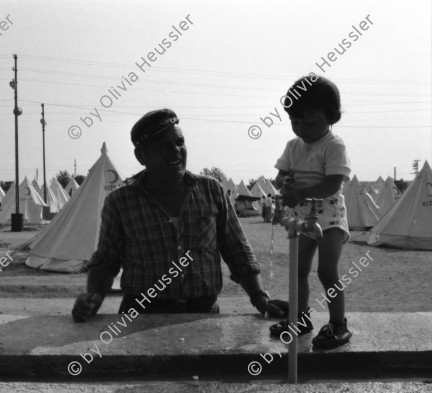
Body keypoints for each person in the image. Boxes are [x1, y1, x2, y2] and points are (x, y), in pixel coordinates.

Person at [72, 108, 287, 320]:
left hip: (202, 316)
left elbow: (238, 250)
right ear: (141, 156)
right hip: (140, 317)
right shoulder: (120, 202)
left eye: (179, 142)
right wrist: (93, 299)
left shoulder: (211, 190)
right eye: (163, 146)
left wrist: (259, 297)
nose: (175, 150)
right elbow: (106, 260)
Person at [269, 75, 352, 348]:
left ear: (331, 117)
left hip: (330, 218)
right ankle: (300, 319)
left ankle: (338, 325)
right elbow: (280, 178)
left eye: (309, 122)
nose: (301, 129)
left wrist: (301, 193)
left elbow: (332, 184)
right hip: (303, 218)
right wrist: (285, 184)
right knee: (299, 269)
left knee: (327, 271)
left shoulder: (333, 145)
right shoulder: (293, 146)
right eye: (295, 122)